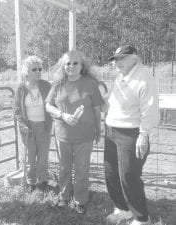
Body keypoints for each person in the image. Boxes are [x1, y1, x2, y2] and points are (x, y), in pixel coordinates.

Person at [104, 45, 159, 225]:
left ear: (135, 57)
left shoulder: (144, 77)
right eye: (116, 59)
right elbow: (111, 103)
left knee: (129, 176)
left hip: (131, 132)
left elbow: (150, 108)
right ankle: (124, 210)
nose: (118, 62)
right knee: (111, 173)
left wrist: (144, 134)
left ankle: (142, 218)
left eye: (122, 58)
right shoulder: (120, 76)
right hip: (112, 130)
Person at [45, 50, 103, 214]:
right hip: (62, 135)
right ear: (63, 66)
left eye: (75, 63)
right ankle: (64, 197)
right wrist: (62, 114)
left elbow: (97, 110)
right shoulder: (58, 84)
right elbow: (48, 106)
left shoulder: (90, 84)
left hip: (84, 135)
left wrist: (98, 131)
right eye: (68, 63)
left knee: (81, 169)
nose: (71, 66)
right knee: (64, 168)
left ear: (82, 65)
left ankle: (80, 200)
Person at [13, 55, 52, 192]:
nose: (38, 71)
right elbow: (17, 110)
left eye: (40, 69)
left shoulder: (47, 86)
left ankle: (43, 181)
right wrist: (22, 124)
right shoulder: (21, 89)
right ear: (26, 72)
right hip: (28, 127)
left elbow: (53, 104)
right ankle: (31, 182)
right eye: (34, 69)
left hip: (44, 126)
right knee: (30, 157)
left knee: (43, 156)